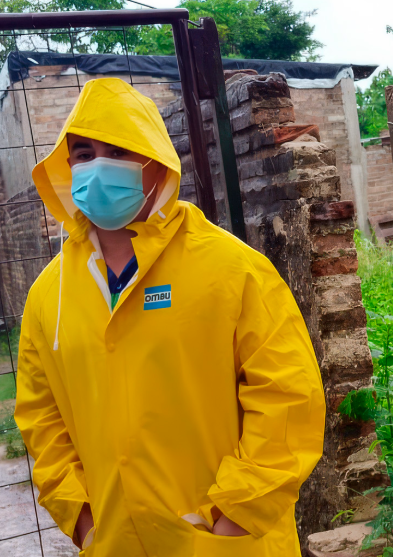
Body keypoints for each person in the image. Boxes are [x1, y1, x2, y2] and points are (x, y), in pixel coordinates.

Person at [14, 77, 326, 557]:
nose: (98, 166)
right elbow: (41, 418)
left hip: (229, 543)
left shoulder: (232, 269)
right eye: (83, 154)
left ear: (155, 163)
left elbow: (288, 398)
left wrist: (233, 520)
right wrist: (82, 519)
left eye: (117, 151)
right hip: (114, 543)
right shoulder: (47, 297)